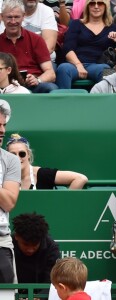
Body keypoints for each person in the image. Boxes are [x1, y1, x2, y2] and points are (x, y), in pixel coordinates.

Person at [55, 0, 116, 89]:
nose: (96, 6)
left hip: (97, 66)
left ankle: (105, 102)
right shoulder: (76, 24)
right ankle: (64, 102)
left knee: (105, 69)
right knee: (63, 68)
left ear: (106, 6)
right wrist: (78, 65)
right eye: (92, 3)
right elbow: (68, 48)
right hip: (73, 65)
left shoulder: (111, 28)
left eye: (100, 3)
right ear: (87, 6)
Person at [0, 0, 58, 93]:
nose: (13, 21)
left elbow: (50, 73)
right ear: (2, 17)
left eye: (17, 17)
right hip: (6, 87)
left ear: (23, 16)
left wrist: (37, 80)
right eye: (9, 17)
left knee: (51, 88)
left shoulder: (36, 39)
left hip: (33, 84)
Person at [6, 133, 88, 190]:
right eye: (13, 155)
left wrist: (64, 202)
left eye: (22, 154)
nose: (17, 158)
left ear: (28, 155)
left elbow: (80, 178)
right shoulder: (3, 177)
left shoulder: (42, 174)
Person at [12, 212, 60, 294]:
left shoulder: (51, 248)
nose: (30, 249)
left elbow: (52, 281)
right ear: (17, 236)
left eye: (35, 244)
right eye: (25, 244)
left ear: (41, 239)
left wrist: (38, 298)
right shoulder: (7, 247)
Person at [0, 100, 21, 283]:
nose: (2, 131)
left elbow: (8, 202)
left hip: (1, 241)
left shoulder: (11, 160)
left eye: (4, 125)